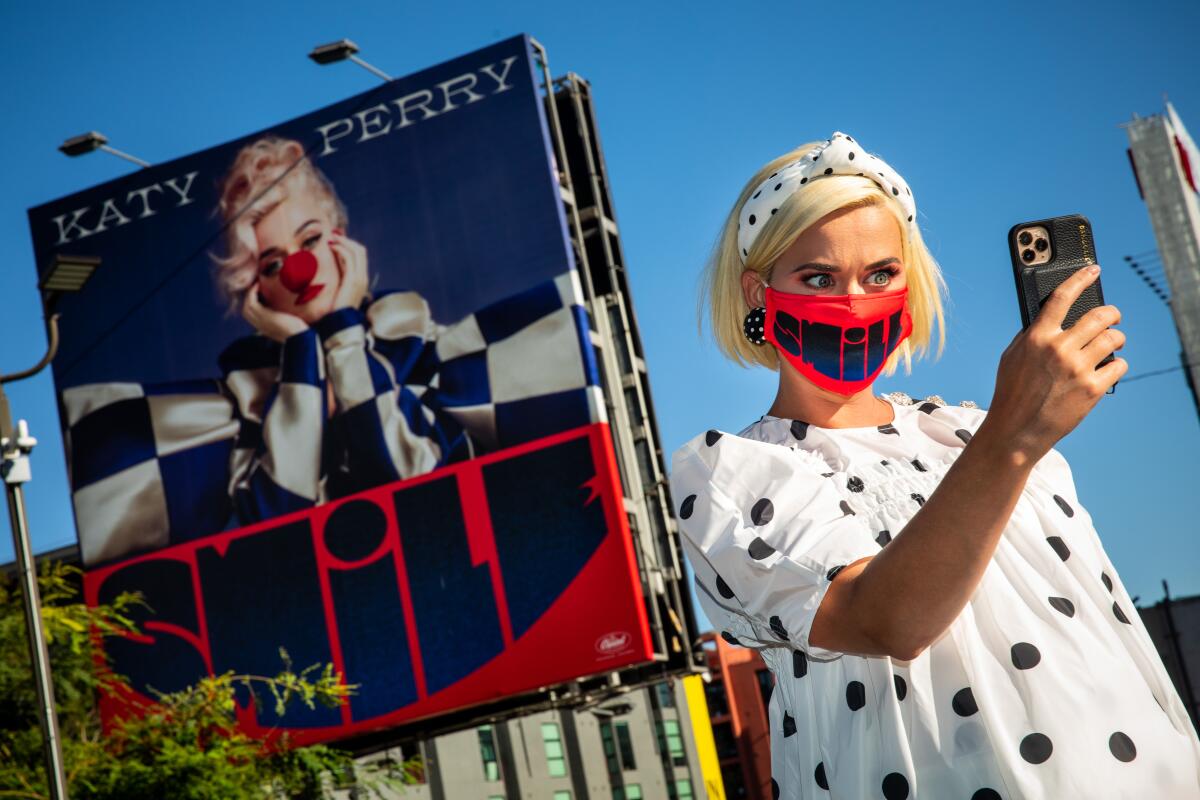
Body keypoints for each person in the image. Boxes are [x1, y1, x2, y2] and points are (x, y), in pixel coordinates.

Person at [671, 132, 1200, 798]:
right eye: (818, 278)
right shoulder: (727, 473)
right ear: (758, 292)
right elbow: (886, 620)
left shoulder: (970, 430)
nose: (855, 299)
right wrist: (1013, 438)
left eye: (881, 274)